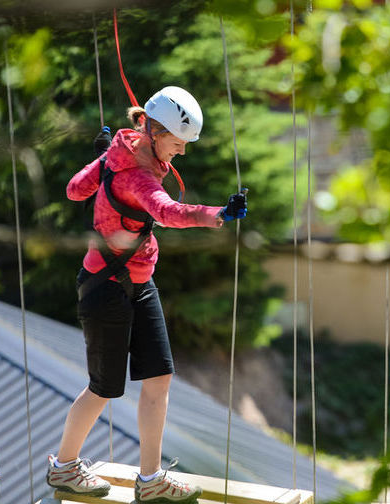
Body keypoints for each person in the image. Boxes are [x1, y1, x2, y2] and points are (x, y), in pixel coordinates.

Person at [47, 86, 247, 503]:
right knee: (104, 387)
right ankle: (64, 469)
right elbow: (168, 212)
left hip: (139, 283)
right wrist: (219, 215)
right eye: (178, 144)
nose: (182, 153)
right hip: (106, 288)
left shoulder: (122, 153)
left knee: (159, 377)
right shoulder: (136, 172)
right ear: (155, 132)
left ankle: (151, 478)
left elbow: (74, 191)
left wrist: (102, 160)